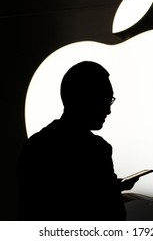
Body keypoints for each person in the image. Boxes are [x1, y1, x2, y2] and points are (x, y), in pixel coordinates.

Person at [17, 61, 138, 220]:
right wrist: (109, 191)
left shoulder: (34, 146)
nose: (108, 110)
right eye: (105, 100)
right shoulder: (97, 150)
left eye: (110, 100)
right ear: (85, 98)